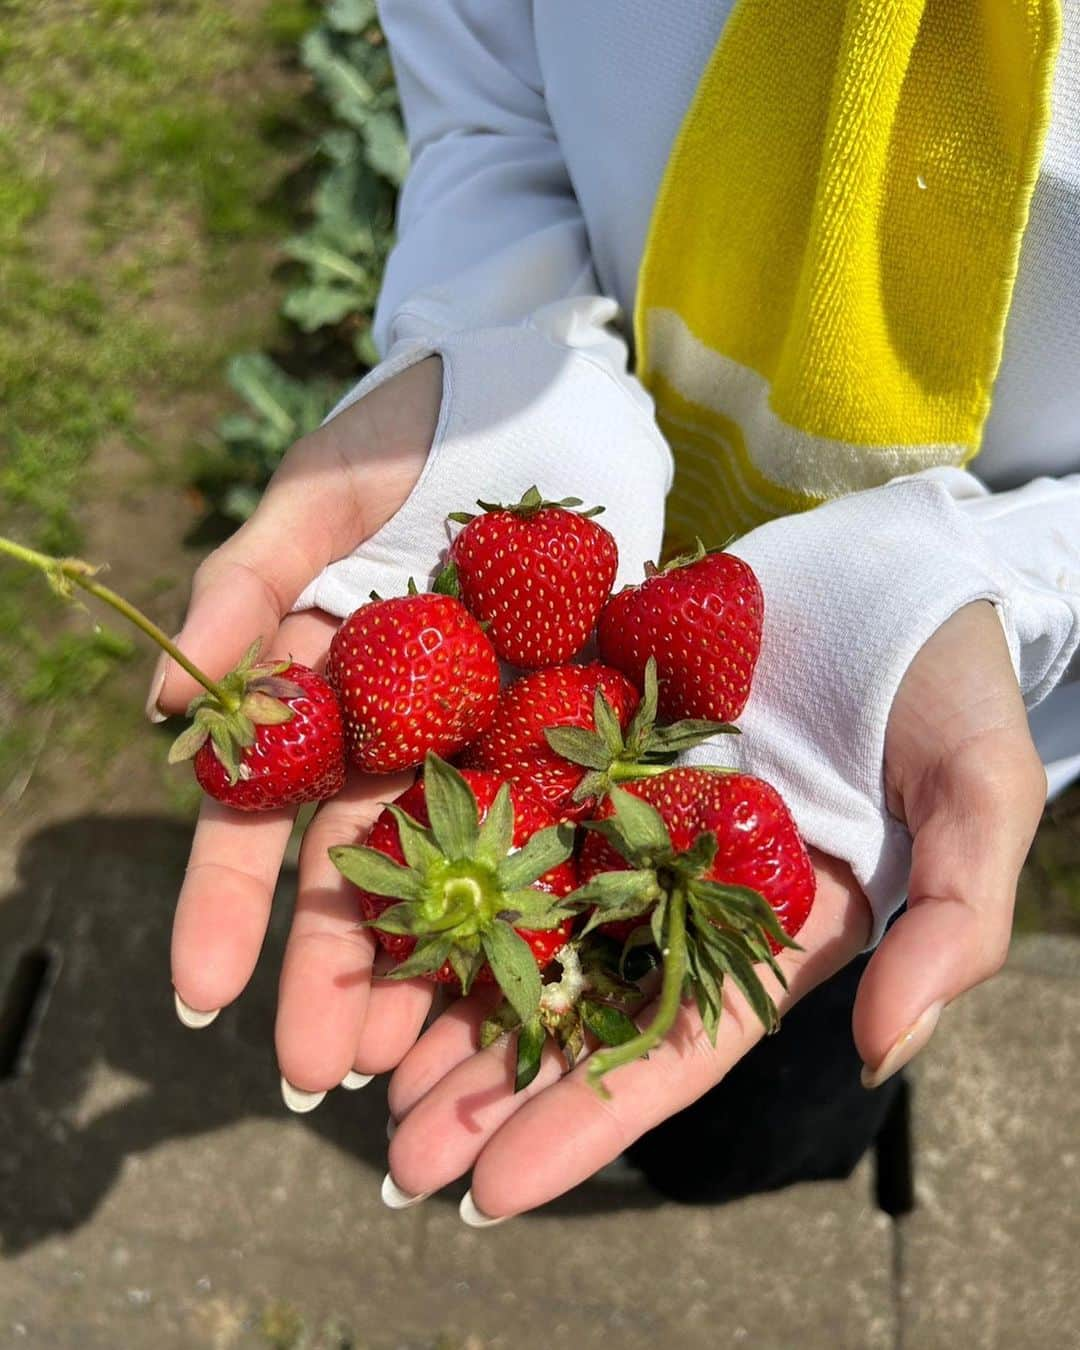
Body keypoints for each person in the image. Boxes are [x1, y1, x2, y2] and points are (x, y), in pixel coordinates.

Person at [151, 1, 1080, 1224]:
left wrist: (1006, 583)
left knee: (764, 1109)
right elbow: (487, 114)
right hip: (711, 733)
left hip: (862, 783)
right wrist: (506, 356)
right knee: (662, 1050)